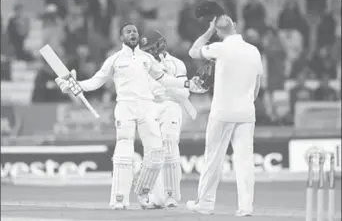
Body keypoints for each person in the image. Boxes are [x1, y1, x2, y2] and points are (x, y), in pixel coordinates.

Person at [55, 23, 167, 210]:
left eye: (135, 31)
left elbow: (163, 78)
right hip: (125, 106)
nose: (133, 33)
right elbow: (97, 81)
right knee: (124, 153)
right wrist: (76, 85)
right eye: (128, 31)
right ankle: (119, 199)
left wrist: (183, 85)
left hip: (147, 106)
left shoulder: (147, 58)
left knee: (156, 152)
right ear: (121, 37)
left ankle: (145, 191)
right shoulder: (114, 59)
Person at [185, 15, 263, 216]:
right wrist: (246, 102)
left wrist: (209, 31)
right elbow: (257, 87)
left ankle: (206, 203)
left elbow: (193, 51)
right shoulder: (253, 51)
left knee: (213, 159)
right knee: (245, 160)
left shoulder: (219, 47)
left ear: (218, 32)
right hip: (246, 112)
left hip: (222, 111)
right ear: (235, 26)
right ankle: (246, 207)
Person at [139, 30, 190, 208]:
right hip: (150, 106)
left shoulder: (176, 64)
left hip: (170, 105)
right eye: (146, 49)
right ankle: (154, 196)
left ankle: (171, 196)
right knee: (153, 151)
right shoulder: (142, 64)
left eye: (151, 48)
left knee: (169, 147)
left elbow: (185, 93)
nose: (149, 53)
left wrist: (166, 85)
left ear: (160, 45)